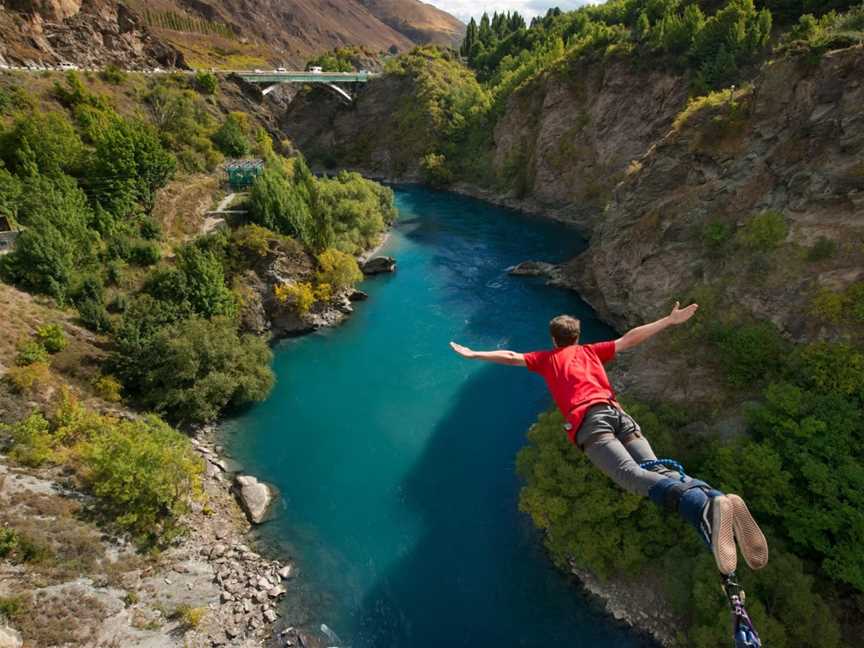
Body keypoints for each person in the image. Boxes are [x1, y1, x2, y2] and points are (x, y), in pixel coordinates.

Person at [449, 302, 768, 575]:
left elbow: (511, 355)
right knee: (656, 469)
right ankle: (714, 497)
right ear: (577, 336)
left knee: (630, 476)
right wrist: (669, 321)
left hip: (590, 422)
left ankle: (704, 508)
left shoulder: (547, 359)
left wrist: (474, 354)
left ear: (553, 340)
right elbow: (630, 339)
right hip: (619, 414)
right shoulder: (591, 351)